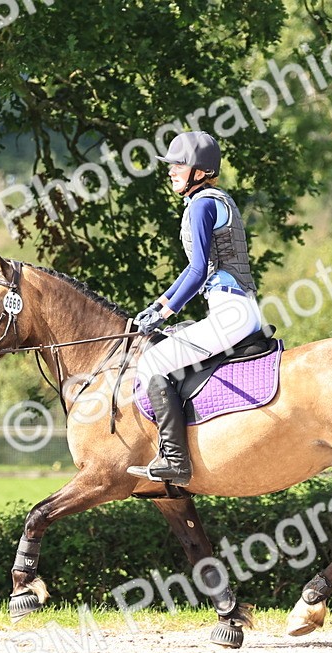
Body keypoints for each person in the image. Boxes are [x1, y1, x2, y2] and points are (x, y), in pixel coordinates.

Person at [127, 131, 263, 486]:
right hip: (235, 309)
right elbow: (193, 270)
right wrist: (158, 305)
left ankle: (175, 460)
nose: (171, 170)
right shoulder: (209, 200)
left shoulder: (203, 204)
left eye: (179, 164)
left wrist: (164, 313)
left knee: (152, 362)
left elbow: (198, 271)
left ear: (200, 171)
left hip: (231, 313)